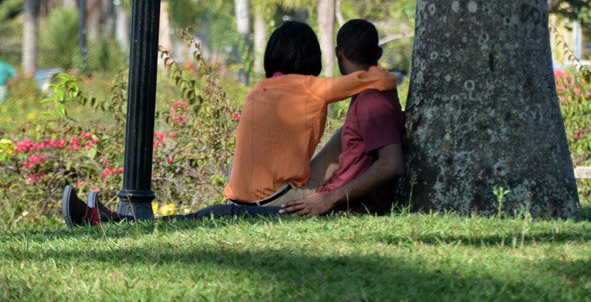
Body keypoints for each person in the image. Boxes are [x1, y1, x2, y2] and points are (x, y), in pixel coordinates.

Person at [62, 21, 397, 226]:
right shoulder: (314, 88)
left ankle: (107, 219)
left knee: (187, 221)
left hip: (241, 199)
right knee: (193, 220)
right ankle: (105, 220)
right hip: (274, 202)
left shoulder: (257, 92)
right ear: (318, 58)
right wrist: (387, 74)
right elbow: (373, 79)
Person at [280, 19, 405, 216]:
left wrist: (328, 200)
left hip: (339, 206)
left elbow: (391, 163)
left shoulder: (372, 101)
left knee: (227, 211)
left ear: (339, 53)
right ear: (378, 54)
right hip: (329, 198)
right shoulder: (376, 92)